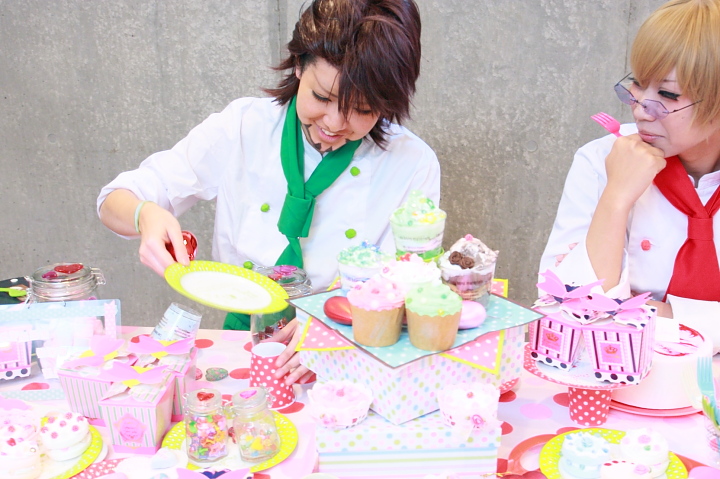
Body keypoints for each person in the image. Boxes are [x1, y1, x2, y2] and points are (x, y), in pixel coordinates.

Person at [97, 0, 440, 383]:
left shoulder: (414, 163)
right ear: (299, 66)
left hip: (350, 351)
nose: (334, 123)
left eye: (362, 109)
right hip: (242, 342)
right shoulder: (244, 126)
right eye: (322, 97)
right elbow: (115, 199)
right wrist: (145, 214)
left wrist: (332, 328)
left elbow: (409, 282)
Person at [540, 0, 720, 352]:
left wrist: (657, 312)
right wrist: (617, 198)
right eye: (638, 84)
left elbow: (610, 314)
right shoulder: (602, 159)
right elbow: (565, 307)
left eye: (667, 94)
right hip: (617, 370)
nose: (640, 110)